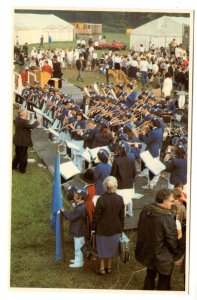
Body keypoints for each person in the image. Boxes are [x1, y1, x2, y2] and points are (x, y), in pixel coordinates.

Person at [135, 188, 178, 290]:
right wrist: (176, 252)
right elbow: (172, 241)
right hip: (163, 256)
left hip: (148, 252)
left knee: (150, 275)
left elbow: (140, 228)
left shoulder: (145, 210)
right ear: (164, 200)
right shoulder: (167, 218)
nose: (172, 204)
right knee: (164, 281)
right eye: (171, 201)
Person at [91, 176, 125, 275]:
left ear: (105, 186)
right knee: (112, 248)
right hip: (116, 228)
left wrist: (93, 228)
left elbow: (96, 216)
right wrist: (121, 228)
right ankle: (109, 267)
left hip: (103, 229)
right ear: (116, 186)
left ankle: (102, 268)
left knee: (102, 249)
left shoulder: (101, 199)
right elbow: (122, 216)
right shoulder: (120, 199)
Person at [61, 187, 88, 268]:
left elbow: (71, 216)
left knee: (78, 248)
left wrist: (63, 211)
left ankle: (78, 262)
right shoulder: (81, 206)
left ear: (79, 198)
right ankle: (79, 259)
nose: (73, 196)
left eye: (75, 195)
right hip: (80, 230)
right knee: (79, 247)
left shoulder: (80, 209)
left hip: (79, 231)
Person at [110, 141, 136, 217]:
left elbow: (113, 175)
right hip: (130, 184)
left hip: (120, 185)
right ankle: (130, 212)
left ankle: (123, 216)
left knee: (122, 203)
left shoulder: (116, 160)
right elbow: (135, 173)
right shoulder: (131, 159)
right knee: (129, 199)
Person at [12, 109, 42, 173]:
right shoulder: (23, 121)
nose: (27, 113)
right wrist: (38, 120)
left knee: (17, 154)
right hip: (23, 141)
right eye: (26, 113)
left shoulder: (17, 119)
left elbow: (26, 124)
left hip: (17, 140)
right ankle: (22, 170)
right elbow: (32, 126)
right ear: (23, 114)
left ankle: (14, 166)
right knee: (23, 156)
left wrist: (30, 121)